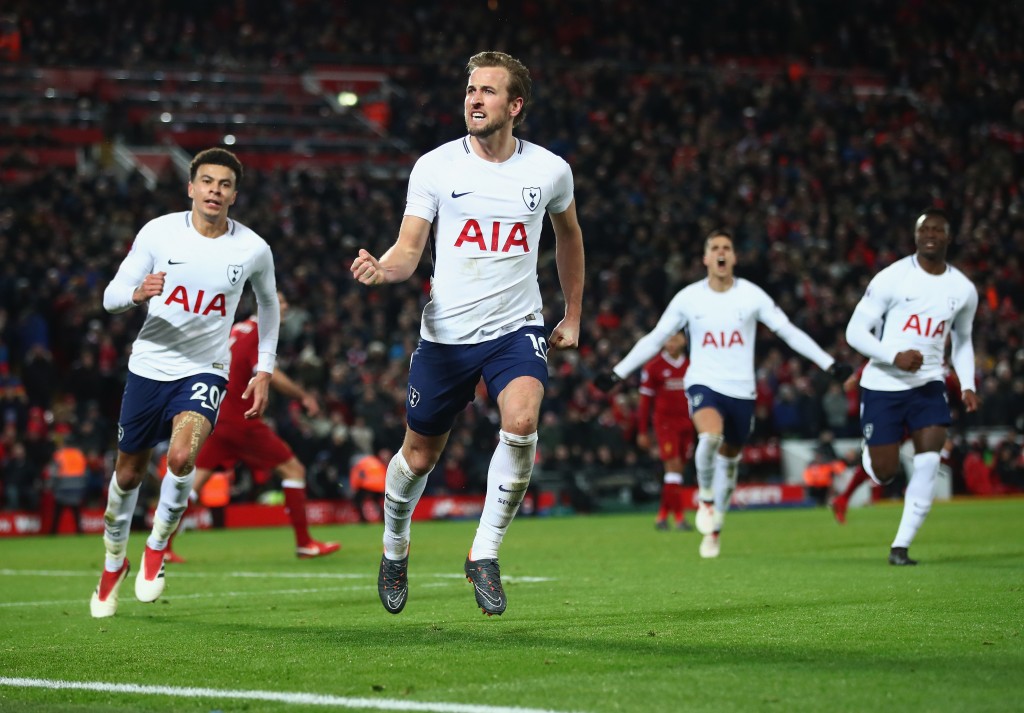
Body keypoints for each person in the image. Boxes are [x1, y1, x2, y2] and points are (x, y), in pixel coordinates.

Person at [351, 51, 584, 617]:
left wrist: (572, 314)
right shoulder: (435, 167)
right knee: (419, 454)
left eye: (487, 91)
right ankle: (395, 547)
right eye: (470, 89)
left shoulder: (549, 170)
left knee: (523, 421)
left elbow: (570, 238)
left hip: (516, 328)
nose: (474, 99)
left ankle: (484, 554)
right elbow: (410, 249)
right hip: (447, 335)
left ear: (515, 105)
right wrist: (383, 269)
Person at [90, 148, 280, 618]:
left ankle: (156, 547)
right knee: (129, 473)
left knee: (180, 456)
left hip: (204, 369)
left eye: (225, 185)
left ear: (234, 195)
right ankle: (114, 561)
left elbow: (269, 307)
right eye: (207, 182)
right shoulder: (159, 233)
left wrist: (264, 368)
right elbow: (112, 294)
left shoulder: (252, 248)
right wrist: (137, 294)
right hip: (149, 367)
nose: (215, 190)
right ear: (191, 188)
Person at [595, 229, 849, 559]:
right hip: (703, 383)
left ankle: (715, 529)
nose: (721, 252)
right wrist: (617, 372)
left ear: (734, 257)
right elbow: (656, 338)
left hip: (742, 391)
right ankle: (705, 498)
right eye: (714, 247)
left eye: (727, 247)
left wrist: (830, 364)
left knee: (729, 466)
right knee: (710, 437)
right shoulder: (688, 298)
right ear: (705, 258)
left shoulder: (752, 296)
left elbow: (788, 332)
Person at [844, 208, 979, 565]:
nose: (930, 234)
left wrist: (967, 383)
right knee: (885, 473)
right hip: (883, 384)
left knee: (929, 459)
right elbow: (855, 332)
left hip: (928, 383)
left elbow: (963, 340)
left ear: (948, 238)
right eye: (924, 229)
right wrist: (893, 355)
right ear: (916, 237)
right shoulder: (893, 278)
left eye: (937, 229)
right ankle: (871, 452)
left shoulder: (963, 290)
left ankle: (900, 547)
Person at [172, 292, 339, 561]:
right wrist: (303, 396)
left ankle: (162, 546)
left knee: (193, 484)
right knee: (294, 470)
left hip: (217, 416)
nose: (285, 307)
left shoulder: (238, 329)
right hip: (241, 419)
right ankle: (305, 543)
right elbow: (268, 374)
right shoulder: (259, 334)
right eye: (280, 302)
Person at [634, 331, 694, 531]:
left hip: (688, 425)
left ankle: (661, 516)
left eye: (676, 338)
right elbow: (645, 403)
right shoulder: (654, 367)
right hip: (666, 425)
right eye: (668, 338)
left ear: (684, 340)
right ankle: (679, 518)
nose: (671, 342)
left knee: (677, 471)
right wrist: (643, 431)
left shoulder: (693, 365)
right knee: (673, 466)